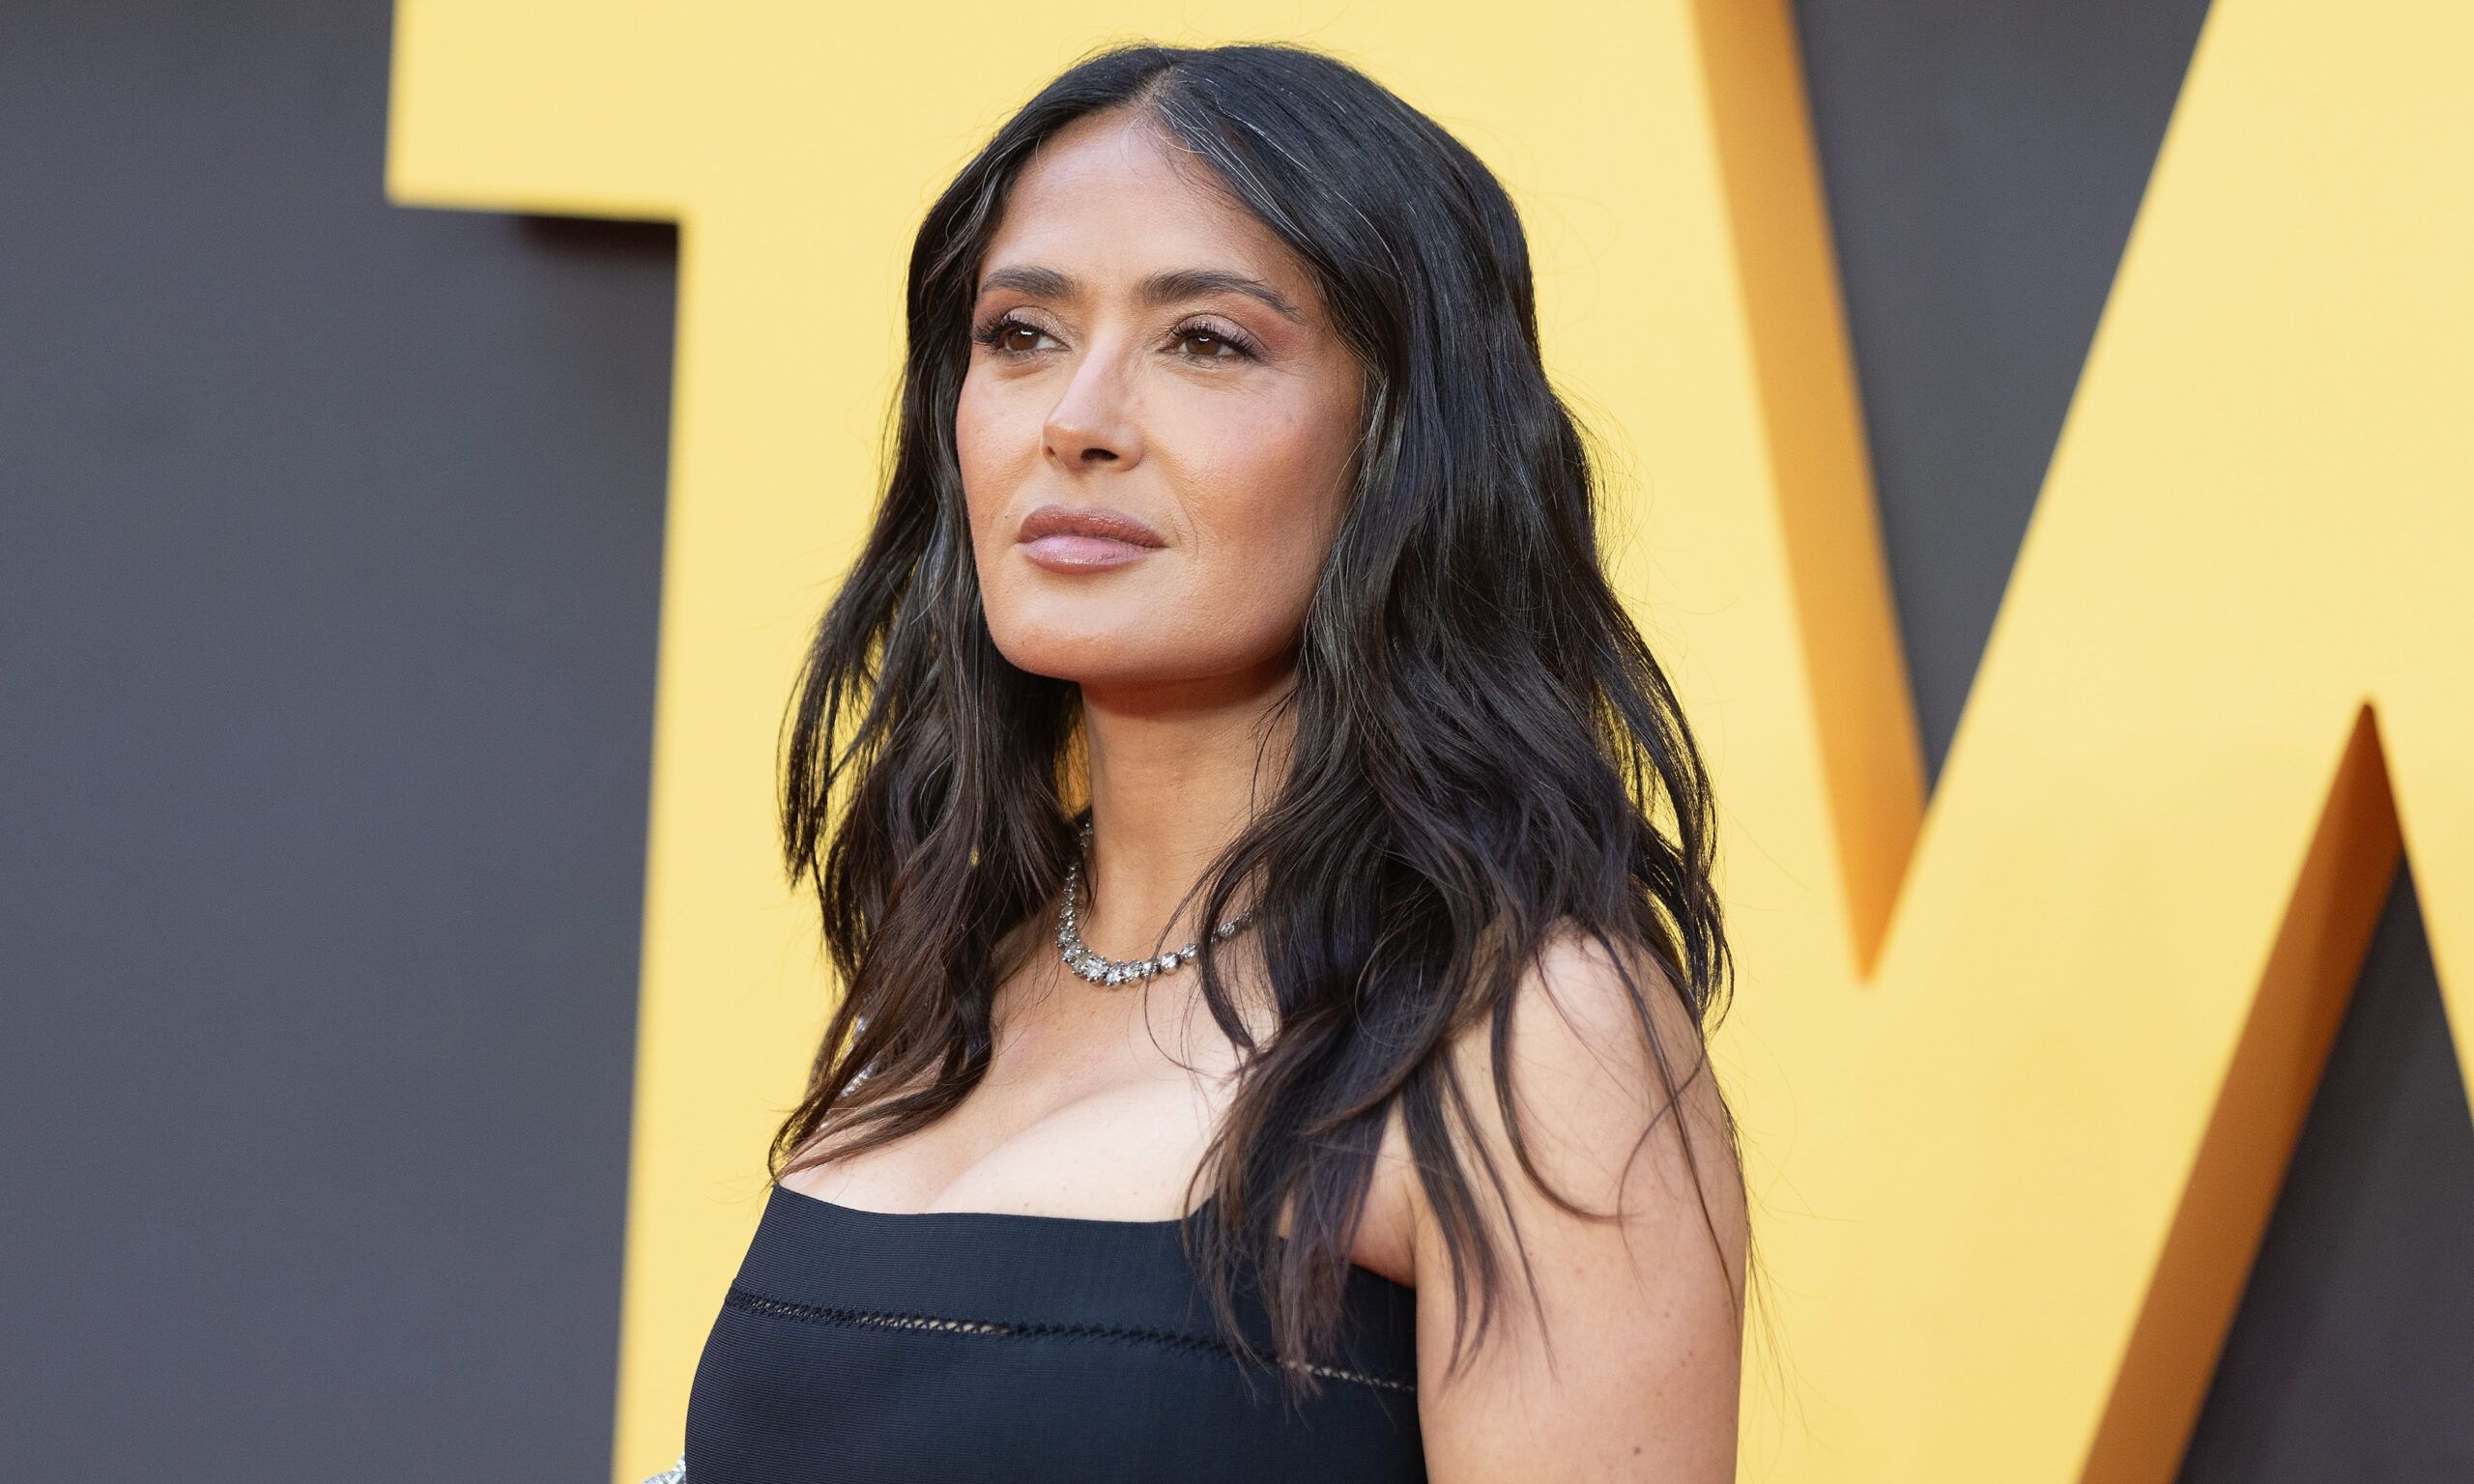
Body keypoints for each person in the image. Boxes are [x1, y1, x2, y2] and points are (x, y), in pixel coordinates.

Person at [665, 38, 1751, 1484]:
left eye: (1208, 342)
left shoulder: (1521, 1036)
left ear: (1401, 444)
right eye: (1021, 335)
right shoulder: (942, 982)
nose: (1078, 421)